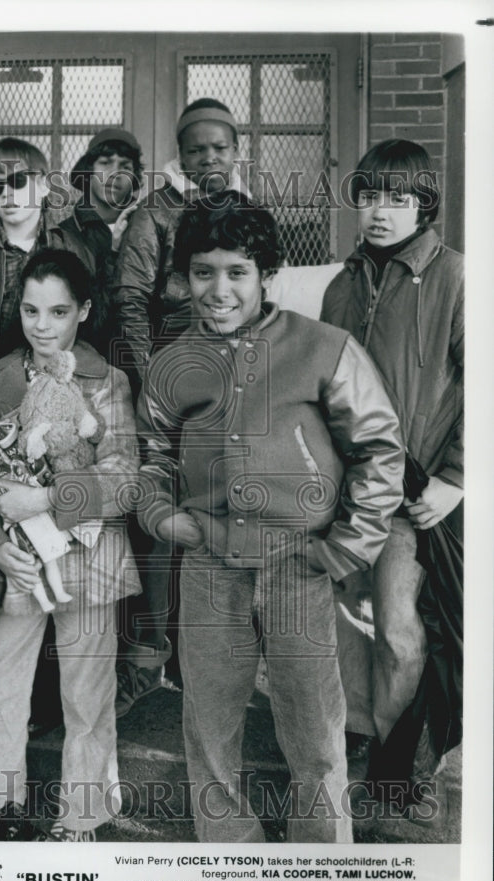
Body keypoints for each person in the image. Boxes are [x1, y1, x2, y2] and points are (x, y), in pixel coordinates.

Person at [136, 192, 404, 842]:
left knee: (314, 732)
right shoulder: (173, 365)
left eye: (237, 272)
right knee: (209, 728)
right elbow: (152, 458)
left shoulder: (324, 348)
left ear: (266, 275)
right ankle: (233, 863)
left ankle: (319, 866)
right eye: (204, 272)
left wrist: (343, 551)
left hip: (301, 567)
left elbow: (380, 450)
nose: (219, 290)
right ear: (184, 277)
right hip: (208, 564)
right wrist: (164, 516)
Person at [0, 248, 140, 842]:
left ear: (84, 312)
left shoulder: (108, 381)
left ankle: (84, 813)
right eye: (29, 309)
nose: (41, 325)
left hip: (88, 560)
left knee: (87, 691)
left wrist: (46, 501)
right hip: (17, 561)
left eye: (58, 311)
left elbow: (126, 477)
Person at [320, 139, 464, 767]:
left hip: (413, 494)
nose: (380, 211)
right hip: (347, 491)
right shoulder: (340, 286)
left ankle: (397, 749)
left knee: (401, 631)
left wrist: (457, 477)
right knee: (345, 618)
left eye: (397, 199)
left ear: (423, 204)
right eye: (370, 197)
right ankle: (354, 727)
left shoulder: (456, 278)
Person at [112, 98, 249, 717]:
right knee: (161, 523)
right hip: (168, 383)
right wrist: (150, 384)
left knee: (218, 514)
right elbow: (132, 302)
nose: (208, 158)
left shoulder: (244, 213)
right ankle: (147, 655)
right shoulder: (154, 215)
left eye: (219, 147)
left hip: (226, 386)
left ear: (236, 150)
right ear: (181, 154)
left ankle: (206, 658)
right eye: (196, 149)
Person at [0, 137, 95, 372]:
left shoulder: (73, 250)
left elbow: (89, 327)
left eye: (17, 181)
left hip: (56, 380)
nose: (6, 193)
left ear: (43, 185)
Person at [60, 128, 144, 360]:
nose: (114, 174)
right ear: (88, 171)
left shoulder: (146, 228)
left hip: (140, 361)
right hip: (81, 360)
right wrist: (113, 251)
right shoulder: (66, 233)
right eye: (105, 163)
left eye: (125, 167)